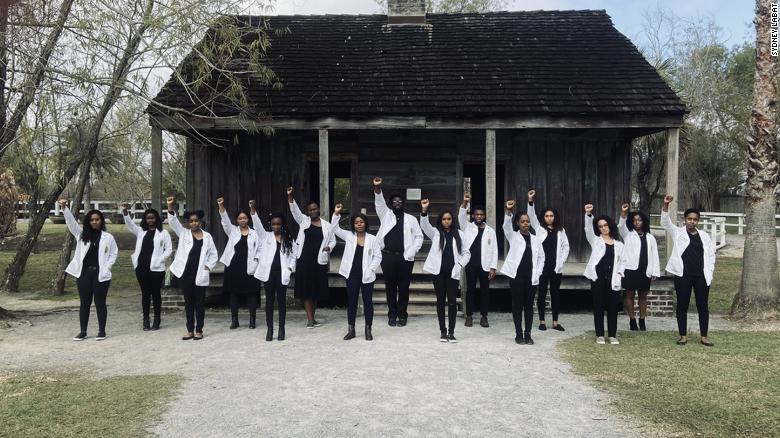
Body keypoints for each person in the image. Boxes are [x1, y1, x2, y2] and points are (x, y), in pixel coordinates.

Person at [661, 195, 716, 347]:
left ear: (698, 221)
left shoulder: (704, 236)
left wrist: (709, 272)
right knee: (682, 305)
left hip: (701, 276)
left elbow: (711, 255)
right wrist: (666, 205)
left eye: (695, 219)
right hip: (683, 275)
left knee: (702, 306)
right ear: (684, 219)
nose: (692, 221)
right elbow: (665, 222)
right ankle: (683, 335)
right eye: (689, 219)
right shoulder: (678, 232)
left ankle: (704, 336)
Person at [60, 199, 118, 341]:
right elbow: (71, 223)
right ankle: (83, 331)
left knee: (100, 303)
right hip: (84, 274)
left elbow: (114, 253)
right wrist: (64, 208)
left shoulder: (108, 237)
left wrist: (107, 267)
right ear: (88, 221)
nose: (94, 222)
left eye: (97, 219)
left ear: (101, 221)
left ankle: (102, 331)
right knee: (84, 303)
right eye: (91, 220)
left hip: (100, 274)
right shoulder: (81, 235)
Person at [373, 177, 424, 327]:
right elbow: (379, 203)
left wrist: (412, 251)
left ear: (403, 204)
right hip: (388, 257)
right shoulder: (385, 215)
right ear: (391, 204)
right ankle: (392, 315)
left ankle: (402, 315)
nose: (397, 203)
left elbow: (419, 237)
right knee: (390, 288)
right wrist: (378, 188)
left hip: (405, 259)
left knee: (403, 288)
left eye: (399, 202)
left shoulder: (411, 219)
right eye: (394, 202)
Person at [327, 203, 382, 341]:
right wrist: (336, 214)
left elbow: (378, 256)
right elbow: (334, 228)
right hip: (351, 274)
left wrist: (370, 269)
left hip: (367, 275)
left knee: (368, 302)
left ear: (365, 224)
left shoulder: (373, 239)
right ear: (353, 225)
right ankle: (351, 329)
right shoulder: (348, 236)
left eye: (361, 222)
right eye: (356, 222)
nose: (359, 224)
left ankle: (368, 329)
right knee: (351, 301)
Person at [166, 196, 218, 341]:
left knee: (199, 303)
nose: (194, 223)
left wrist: (208, 267)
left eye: (196, 221)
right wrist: (170, 207)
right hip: (186, 274)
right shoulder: (184, 234)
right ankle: (190, 330)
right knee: (189, 303)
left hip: (200, 274)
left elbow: (214, 254)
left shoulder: (207, 237)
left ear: (200, 222)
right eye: (191, 221)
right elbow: (173, 222)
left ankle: (199, 329)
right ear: (188, 223)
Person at [420, 198, 470, 343]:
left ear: (452, 220)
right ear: (441, 221)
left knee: (452, 302)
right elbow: (424, 225)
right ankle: (443, 331)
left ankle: (452, 332)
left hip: (453, 274)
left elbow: (467, 253)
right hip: (438, 273)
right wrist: (424, 210)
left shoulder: (459, 234)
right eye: (444, 219)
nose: (446, 221)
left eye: (449, 219)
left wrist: (460, 265)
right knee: (440, 302)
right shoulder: (435, 233)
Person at [288, 187, 335, 329]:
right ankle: (309, 319)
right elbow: (294, 210)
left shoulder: (327, 225)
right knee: (307, 291)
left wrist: (329, 248)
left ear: (318, 209)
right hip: (304, 260)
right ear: (308, 212)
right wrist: (290, 197)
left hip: (319, 261)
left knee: (316, 291)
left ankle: (312, 318)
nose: (313, 211)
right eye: (310, 210)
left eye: (315, 209)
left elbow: (332, 240)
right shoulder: (303, 221)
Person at [121, 203, 172, 331]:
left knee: (155, 294)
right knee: (145, 294)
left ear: (157, 219)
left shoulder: (163, 233)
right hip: (141, 267)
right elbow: (130, 225)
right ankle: (145, 319)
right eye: (148, 218)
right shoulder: (141, 232)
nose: (150, 220)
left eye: (153, 218)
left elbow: (169, 250)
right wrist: (125, 212)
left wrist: (160, 259)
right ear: (145, 219)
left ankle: (157, 319)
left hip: (156, 269)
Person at [500, 199, 545, 345]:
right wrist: (508, 211)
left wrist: (537, 273)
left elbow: (541, 257)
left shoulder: (535, 239)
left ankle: (528, 334)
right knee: (517, 305)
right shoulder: (513, 236)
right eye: (522, 221)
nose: (526, 223)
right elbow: (506, 226)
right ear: (518, 223)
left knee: (529, 306)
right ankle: (518, 333)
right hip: (517, 277)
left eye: (527, 221)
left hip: (531, 277)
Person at [251, 202, 296, 341]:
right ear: (270, 225)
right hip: (269, 274)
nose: (276, 226)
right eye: (273, 224)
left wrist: (289, 269)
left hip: (281, 274)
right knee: (269, 302)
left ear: (282, 224)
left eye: (278, 224)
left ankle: (281, 328)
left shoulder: (288, 239)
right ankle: (270, 329)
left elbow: (294, 256)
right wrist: (253, 210)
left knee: (281, 302)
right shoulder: (265, 236)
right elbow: (257, 225)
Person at [526, 190, 570, 332]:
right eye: (546, 216)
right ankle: (542, 321)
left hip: (555, 267)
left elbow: (566, 247)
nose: (549, 218)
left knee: (556, 293)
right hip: (542, 267)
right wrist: (531, 201)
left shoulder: (560, 231)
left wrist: (561, 262)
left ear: (555, 217)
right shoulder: (539, 229)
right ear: (543, 217)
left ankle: (556, 322)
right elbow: (531, 215)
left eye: (551, 216)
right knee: (542, 292)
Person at [583, 204, 624, 345]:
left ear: (610, 226)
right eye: (600, 226)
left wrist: (620, 273)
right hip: (598, 278)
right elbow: (588, 229)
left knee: (613, 307)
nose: (603, 228)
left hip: (613, 278)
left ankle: (612, 335)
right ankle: (600, 334)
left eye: (605, 225)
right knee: (598, 306)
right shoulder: (595, 241)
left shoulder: (619, 245)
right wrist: (588, 215)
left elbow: (623, 262)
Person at [218, 197, 261, 330]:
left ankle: (252, 320)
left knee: (252, 293)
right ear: (237, 220)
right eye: (240, 218)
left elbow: (260, 249)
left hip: (250, 267)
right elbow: (225, 221)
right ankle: (234, 320)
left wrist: (257, 261)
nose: (242, 220)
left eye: (245, 218)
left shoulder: (255, 233)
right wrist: (221, 206)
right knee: (234, 293)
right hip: (233, 267)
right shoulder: (233, 231)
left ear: (248, 219)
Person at [617, 203, 660, 331]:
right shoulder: (627, 234)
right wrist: (623, 213)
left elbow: (655, 255)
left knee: (643, 296)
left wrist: (655, 271)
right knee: (629, 295)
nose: (637, 222)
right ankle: (632, 320)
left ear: (644, 221)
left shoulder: (650, 237)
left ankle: (642, 320)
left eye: (639, 220)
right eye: (634, 220)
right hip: (630, 269)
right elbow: (621, 226)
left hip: (644, 270)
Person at [458, 193, 497, 328]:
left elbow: (494, 250)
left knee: (485, 291)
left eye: (481, 214)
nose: (479, 216)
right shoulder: (468, 227)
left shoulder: (490, 231)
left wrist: (493, 267)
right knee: (470, 291)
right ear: (473, 215)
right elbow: (461, 216)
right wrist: (465, 202)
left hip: (484, 265)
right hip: (471, 264)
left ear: (484, 216)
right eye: (477, 214)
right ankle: (469, 316)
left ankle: (484, 316)